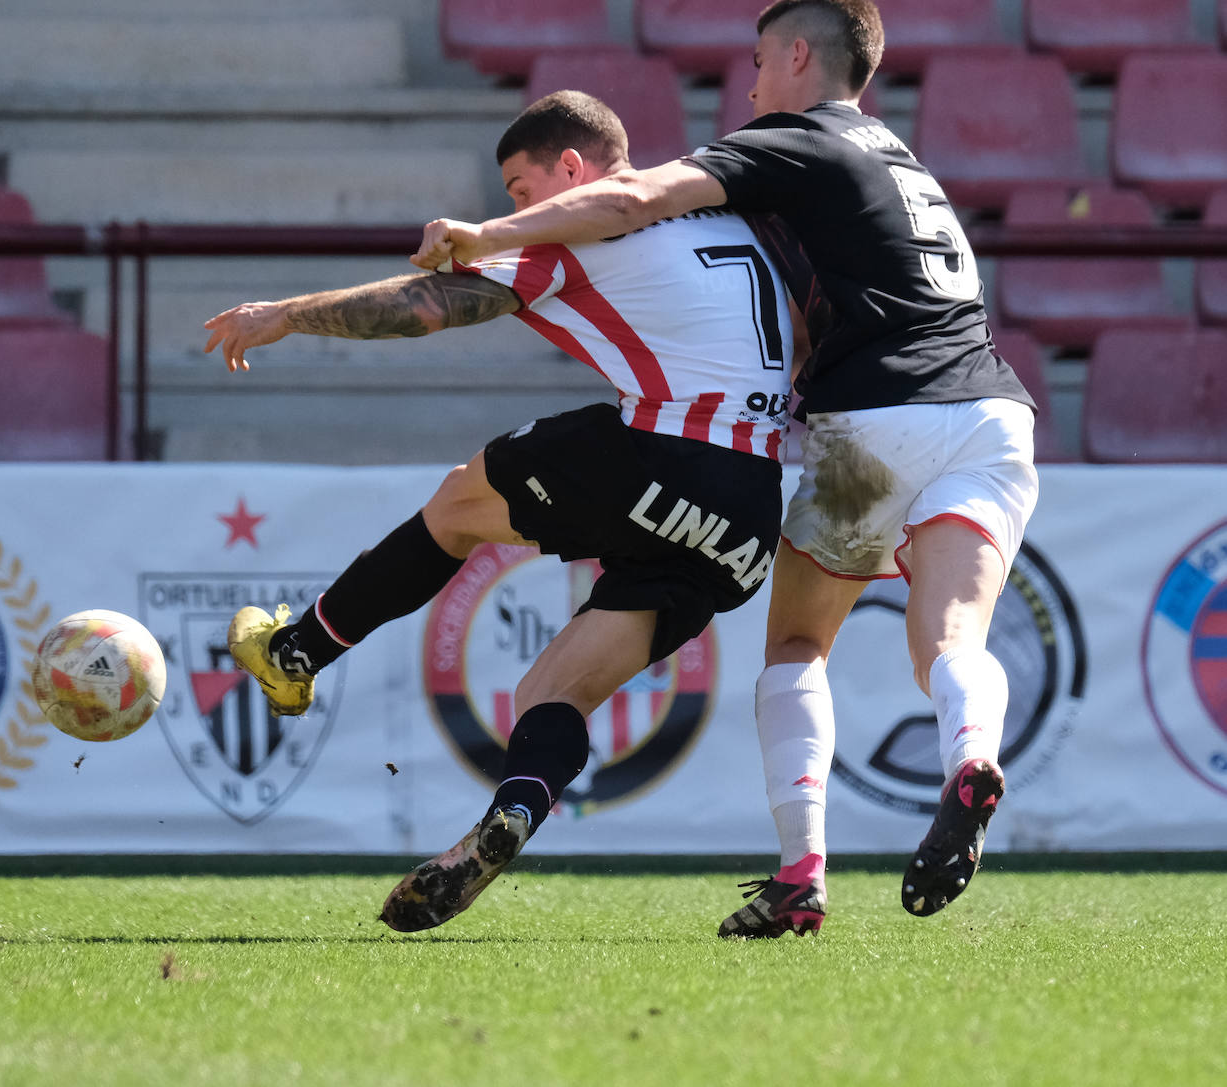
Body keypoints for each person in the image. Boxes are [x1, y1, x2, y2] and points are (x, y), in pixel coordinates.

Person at [409, 0, 1039, 937]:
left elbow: (631, 199)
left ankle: (801, 873)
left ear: (797, 55)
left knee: (796, 647)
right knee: (950, 640)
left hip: (873, 419)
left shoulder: (793, 137)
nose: (746, 85)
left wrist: (490, 236)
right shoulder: (902, 160)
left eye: (755, 61)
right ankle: (972, 757)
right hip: (995, 415)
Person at [204, 91, 801, 932]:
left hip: (662, 452)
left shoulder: (577, 225)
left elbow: (427, 307)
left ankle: (295, 651)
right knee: (549, 692)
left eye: (521, 191)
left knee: (455, 505)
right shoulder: (721, 214)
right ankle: (511, 814)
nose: (516, 213)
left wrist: (286, 315)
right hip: (749, 514)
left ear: (572, 169)